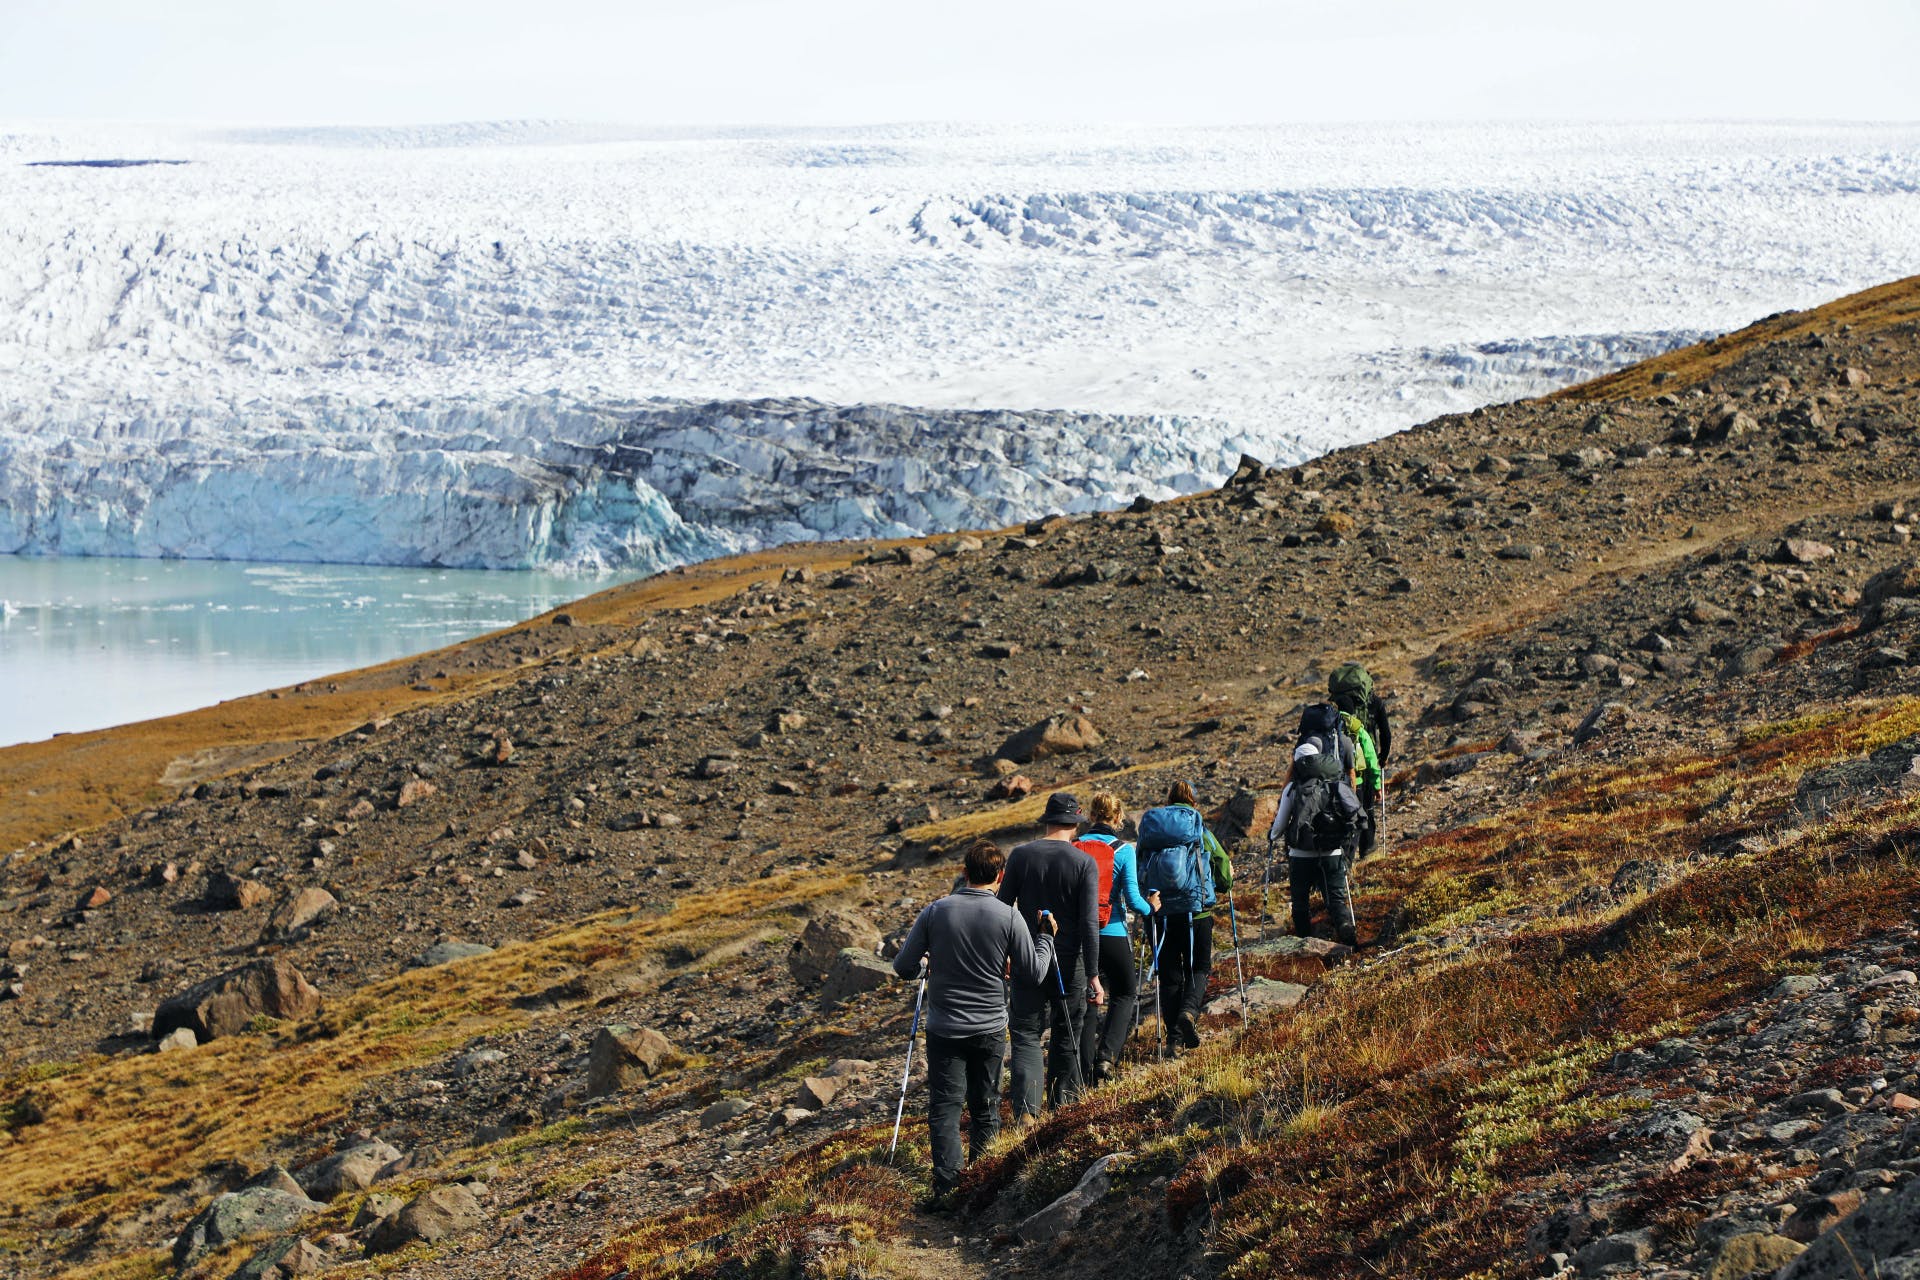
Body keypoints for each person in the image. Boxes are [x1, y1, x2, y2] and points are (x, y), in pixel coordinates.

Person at [892, 838, 1056, 1207]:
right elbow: (1032, 974)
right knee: (985, 1105)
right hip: (990, 1027)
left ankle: (948, 1189)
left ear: (964, 873)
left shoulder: (936, 912)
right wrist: (1046, 938)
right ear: (1000, 876)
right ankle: (980, 1188)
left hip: (945, 1028)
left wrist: (926, 967)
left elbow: (903, 967)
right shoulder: (1008, 916)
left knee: (946, 1109)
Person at [997, 792, 1106, 1115]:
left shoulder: (1020, 856)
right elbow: (1089, 922)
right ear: (1075, 823)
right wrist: (1094, 974)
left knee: (1026, 1034)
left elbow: (1003, 908)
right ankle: (1062, 1109)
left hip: (1026, 957)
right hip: (1069, 961)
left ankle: (1027, 1111)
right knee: (1066, 1031)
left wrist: (1005, 953)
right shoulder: (1083, 861)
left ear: (1047, 821)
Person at [1074, 790, 1157, 1083]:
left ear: (1091, 816)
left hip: (1080, 934)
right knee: (1124, 992)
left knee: (1086, 1000)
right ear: (1119, 818)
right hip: (1112, 930)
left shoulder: (1074, 846)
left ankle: (1083, 1075)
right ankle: (1106, 1058)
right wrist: (1152, 906)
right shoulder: (1123, 850)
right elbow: (1134, 900)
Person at [1145, 781, 1231, 1052]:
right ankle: (1189, 1013)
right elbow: (1220, 862)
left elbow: (1139, 867)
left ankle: (1173, 1040)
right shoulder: (1198, 827)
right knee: (1199, 967)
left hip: (1161, 913)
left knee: (1170, 976)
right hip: (1197, 911)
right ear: (1193, 802)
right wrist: (1224, 884)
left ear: (1168, 801)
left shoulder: (1154, 831)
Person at [1266, 742, 1364, 947]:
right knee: (1336, 899)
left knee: (1301, 904)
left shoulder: (1292, 788)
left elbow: (1280, 825)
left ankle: (1305, 943)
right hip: (1332, 851)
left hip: (1301, 855)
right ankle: (1346, 931)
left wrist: (1272, 836)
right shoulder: (1335, 784)